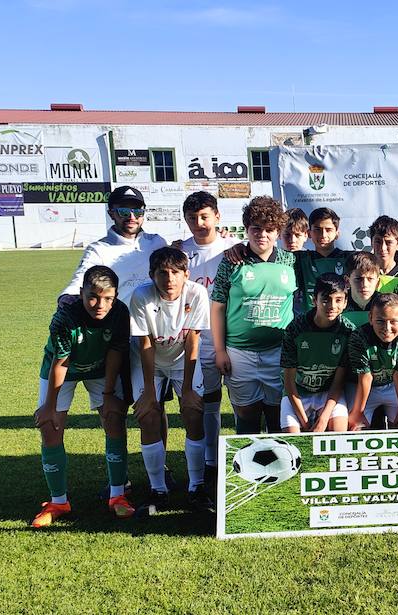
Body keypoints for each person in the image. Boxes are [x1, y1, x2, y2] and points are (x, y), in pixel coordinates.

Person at [31, 265, 132, 527]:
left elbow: (115, 353)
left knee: (113, 418)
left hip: (100, 369)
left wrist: (109, 393)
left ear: (116, 296)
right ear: (81, 292)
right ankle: (58, 502)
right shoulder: (65, 317)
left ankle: (118, 496)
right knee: (50, 427)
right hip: (61, 370)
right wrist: (50, 407)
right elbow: (60, 362)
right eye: (93, 296)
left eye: (108, 298)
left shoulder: (120, 312)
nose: (100, 304)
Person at [128, 247, 212, 515]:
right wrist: (150, 393)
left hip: (182, 361)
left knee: (193, 411)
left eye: (176, 272)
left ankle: (196, 487)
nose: (169, 279)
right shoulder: (141, 295)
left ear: (186, 274)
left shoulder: (197, 293)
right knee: (148, 415)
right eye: (162, 273)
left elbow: (193, 339)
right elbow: (145, 343)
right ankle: (158, 490)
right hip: (148, 361)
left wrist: (187, 389)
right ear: (151, 275)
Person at [210, 197, 296, 435]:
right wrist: (219, 351)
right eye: (256, 228)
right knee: (247, 415)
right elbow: (217, 306)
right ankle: (246, 468)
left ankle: (280, 469)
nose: (262, 235)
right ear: (246, 229)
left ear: (278, 232)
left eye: (269, 230)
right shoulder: (231, 261)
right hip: (239, 353)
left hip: (279, 352)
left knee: (277, 414)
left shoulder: (290, 260)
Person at [177, 190, 238, 490]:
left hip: (235, 341)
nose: (199, 223)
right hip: (198, 342)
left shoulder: (235, 249)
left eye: (204, 216)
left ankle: (243, 457)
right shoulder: (179, 252)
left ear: (217, 216)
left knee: (243, 404)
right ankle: (213, 463)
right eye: (192, 218)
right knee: (209, 403)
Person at [58, 185, 168, 307]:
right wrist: (67, 297)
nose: (132, 217)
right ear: (111, 214)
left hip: (155, 321)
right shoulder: (98, 249)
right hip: (121, 322)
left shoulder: (157, 242)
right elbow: (82, 277)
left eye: (138, 212)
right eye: (124, 212)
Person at [279, 274, 355, 433]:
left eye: (338, 300)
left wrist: (323, 419)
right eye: (326, 299)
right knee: (295, 444)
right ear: (314, 300)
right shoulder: (295, 329)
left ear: (346, 301)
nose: (332, 305)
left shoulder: (348, 331)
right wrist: (305, 423)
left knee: (338, 436)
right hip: (297, 394)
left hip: (329, 395)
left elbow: (339, 381)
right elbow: (288, 381)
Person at [346, 293, 398, 430]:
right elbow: (365, 376)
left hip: (392, 384)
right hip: (360, 385)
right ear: (370, 318)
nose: (387, 328)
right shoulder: (359, 336)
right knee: (354, 427)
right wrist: (358, 412)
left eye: (393, 321)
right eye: (380, 321)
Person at [294, 207, 351, 312]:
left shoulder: (350, 258)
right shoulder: (299, 259)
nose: (323, 235)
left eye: (328, 230)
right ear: (309, 233)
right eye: (317, 230)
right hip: (310, 324)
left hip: (341, 323)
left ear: (337, 233)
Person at [367, 215, 398, 294]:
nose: (383, 248)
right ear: (371, 242)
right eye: (378, 242)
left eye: (389, 242)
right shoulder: (363, 273)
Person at [341, 251, 382, 328]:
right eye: (358, 279)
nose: (364, 285)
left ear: (377, 282)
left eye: (370, 279)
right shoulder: (338, 304)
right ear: (347, 281)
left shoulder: (384, 305)